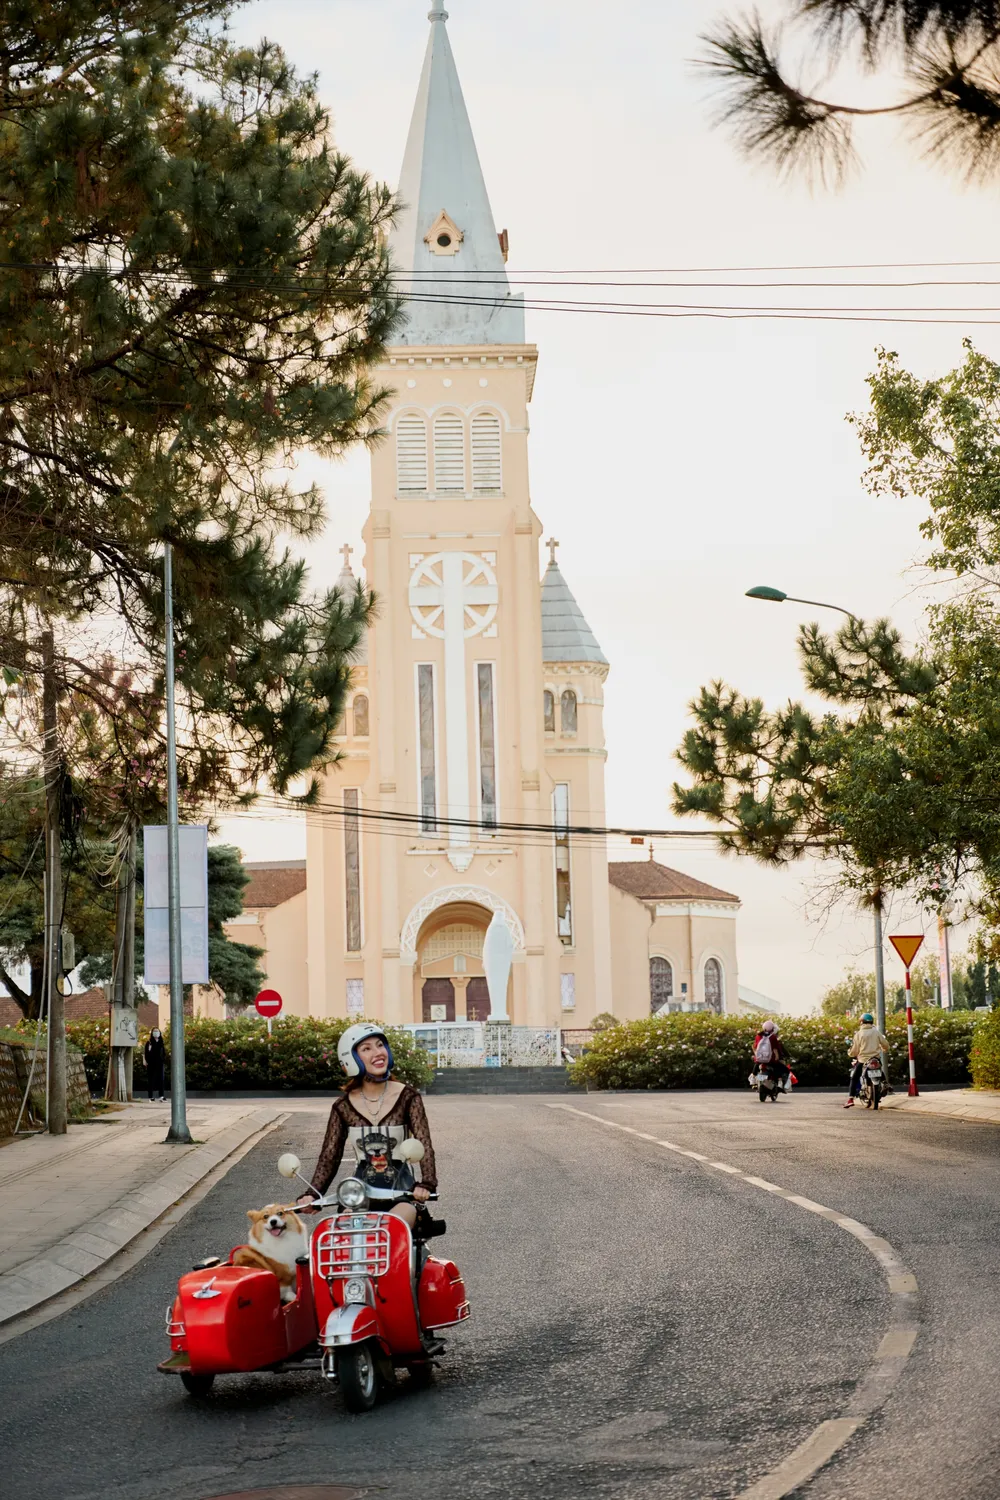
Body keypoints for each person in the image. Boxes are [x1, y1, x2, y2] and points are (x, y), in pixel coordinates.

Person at [297, 1022, 437, 1227]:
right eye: (366, 1048)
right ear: (351, 1058)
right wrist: (312, 1194)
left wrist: (427, 1184)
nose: (378, 1052)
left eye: (380, 1045)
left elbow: (424, 1146)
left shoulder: (408, 1097)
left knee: (392, 1225)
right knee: (343, 1228)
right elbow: (330, 1156)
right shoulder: (343, 1106)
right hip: (358, 1196)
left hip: (403, 1194)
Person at [844, 1013, 889, 1108]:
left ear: (861, 1022)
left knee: (854, 1078)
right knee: (880, 1070)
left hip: (863, 1060)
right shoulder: (876, 1032)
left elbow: (855, 1049)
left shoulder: (859, 1034)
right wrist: (885, 1049)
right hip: (875, 1058)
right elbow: (885, 1043)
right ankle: (885, 1083)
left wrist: (850, 1053)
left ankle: (850, 1099)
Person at [752, 1019, 791, 1091]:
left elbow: (754, 1047)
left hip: (759, 1059)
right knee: (785, 1070)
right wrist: (777, 1057)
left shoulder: (758, 1036)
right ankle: (780, 1083)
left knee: (757, 1066)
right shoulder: (773, 1037)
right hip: (771, 1060)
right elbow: (775, 1049)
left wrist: (756, 1056)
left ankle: (753, 1079)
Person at [144, 1027, 166, 1102]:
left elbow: (163, 1052)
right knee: (151, 1080)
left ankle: (161, 1096)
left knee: (161, 1080)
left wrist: (163, 1059)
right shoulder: (149, 1043)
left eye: (157, 1031)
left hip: (160, 1063)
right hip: (151, 1064)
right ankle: (150, 1097)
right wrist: (148, 1061)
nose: (156, 1032)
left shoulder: (161, 1042)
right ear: (152, 1033)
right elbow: (146, 1053)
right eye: (155, 1031)